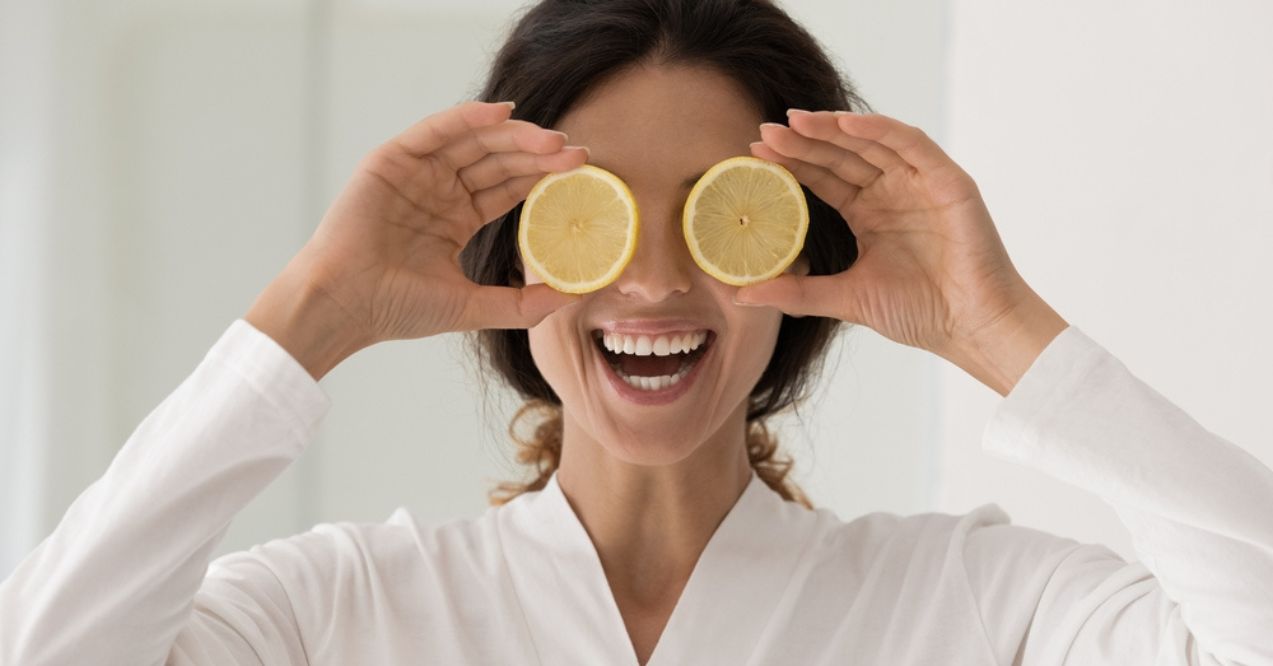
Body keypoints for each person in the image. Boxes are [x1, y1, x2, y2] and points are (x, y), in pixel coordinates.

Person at [3, 0, 1272, 664]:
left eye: (719, 216)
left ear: (799, 251)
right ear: (511, 246)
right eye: (589, 218)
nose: (656, 282)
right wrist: (309, 318)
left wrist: (1002, 333)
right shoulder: (335, 612)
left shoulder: (976, 606)